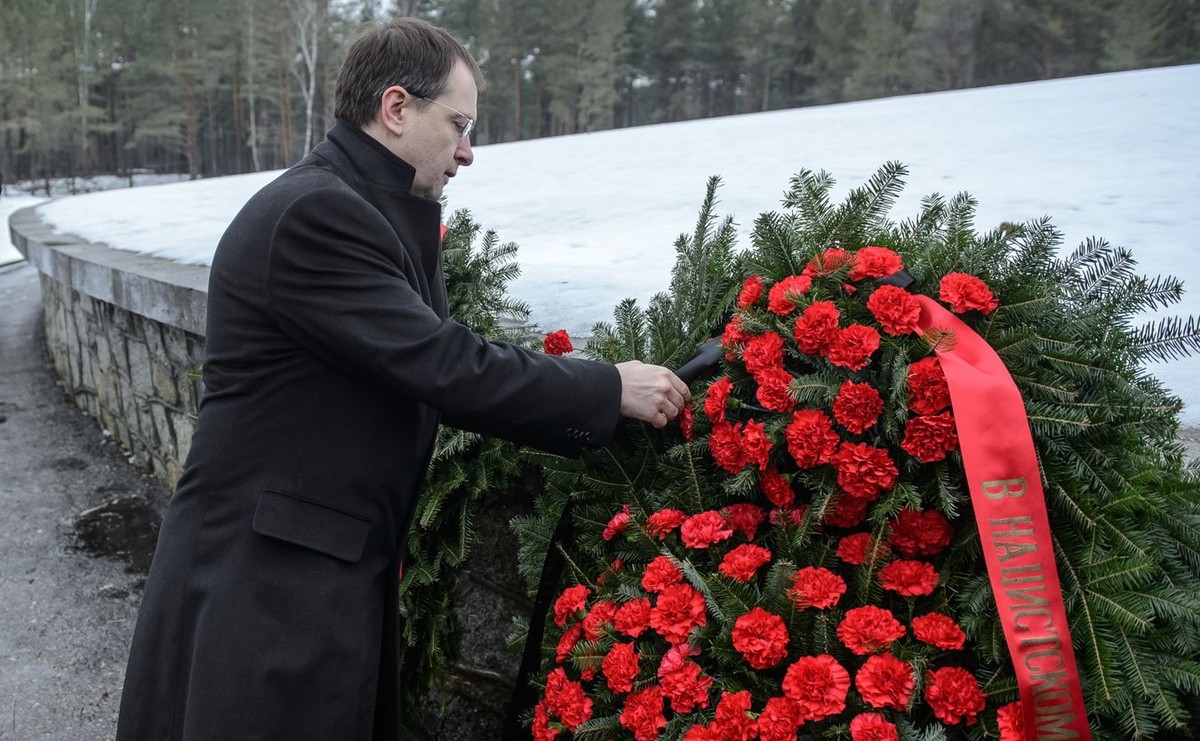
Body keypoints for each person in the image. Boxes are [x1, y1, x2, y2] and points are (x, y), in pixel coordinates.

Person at [115, 17, 689, 741]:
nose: (468, 151)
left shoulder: (356, 205)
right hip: (263, 589)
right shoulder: (317, 214)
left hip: (302, 574)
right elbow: (444, 363)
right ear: (395, 108)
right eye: (459, 124)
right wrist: (607, 388)